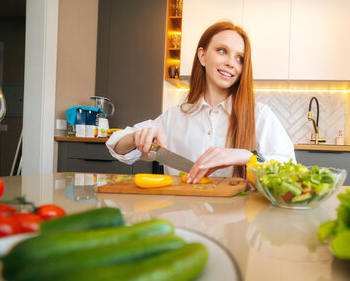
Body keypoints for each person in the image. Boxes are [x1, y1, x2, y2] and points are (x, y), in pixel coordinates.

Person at [106, 20, 295, 183]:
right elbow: (116, 146)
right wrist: (135, 138)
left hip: (239, 222)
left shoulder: (259, 115)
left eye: (240, 58)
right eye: (222, 51)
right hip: (182, 219)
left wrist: (247, 156)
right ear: (202, 56)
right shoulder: (174, 118)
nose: (231, 63)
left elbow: (290, 169)